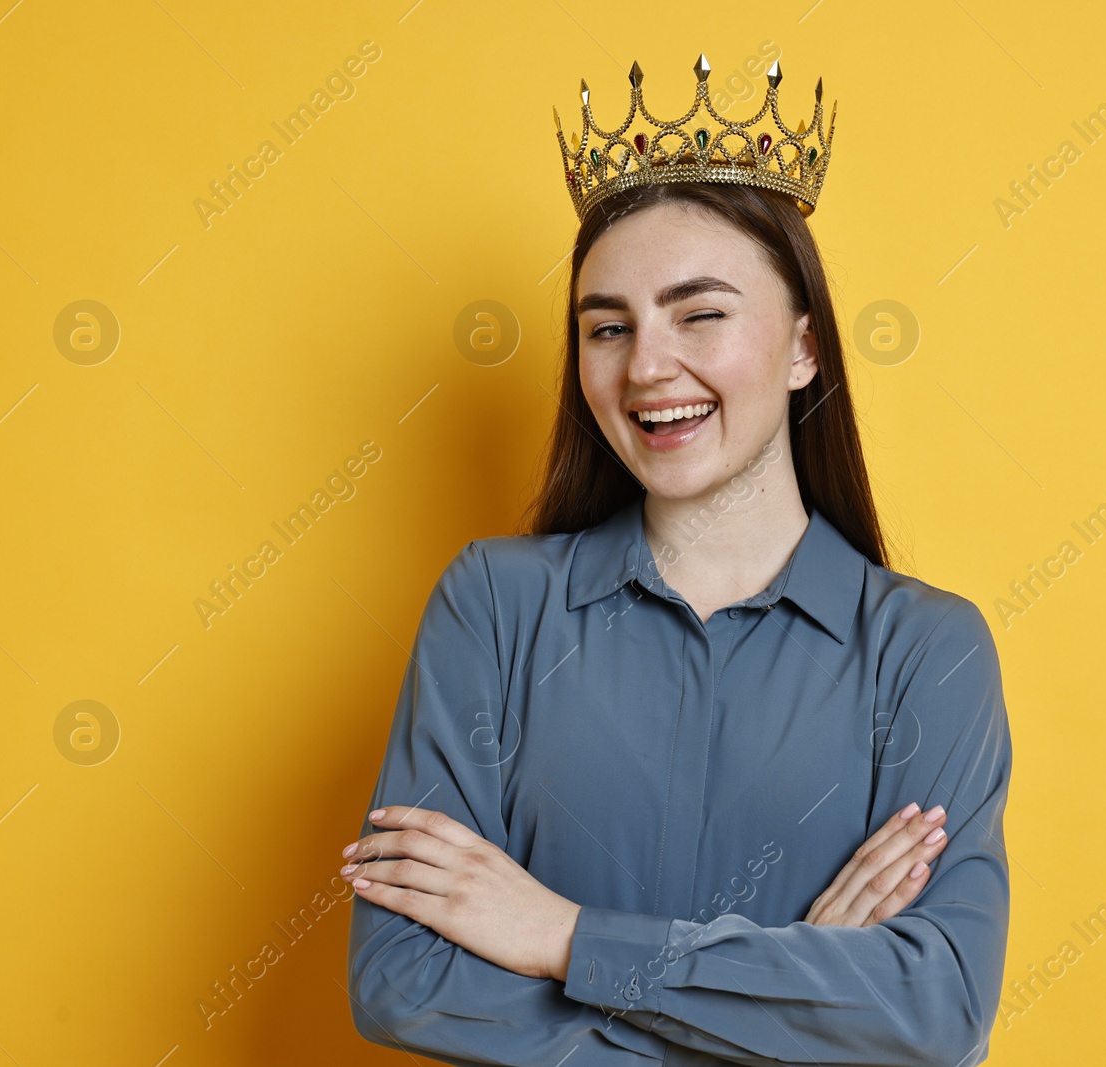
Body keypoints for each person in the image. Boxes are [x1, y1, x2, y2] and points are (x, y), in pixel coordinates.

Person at [342, 55, 1012, 1067]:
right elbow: (402, 979)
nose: (645, 366)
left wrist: (560, 934)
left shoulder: (926, 648)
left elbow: (933, 1009)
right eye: (606, 326)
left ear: (804, 347)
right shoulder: (492, 606)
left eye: (700, 312)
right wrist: (794, 996)